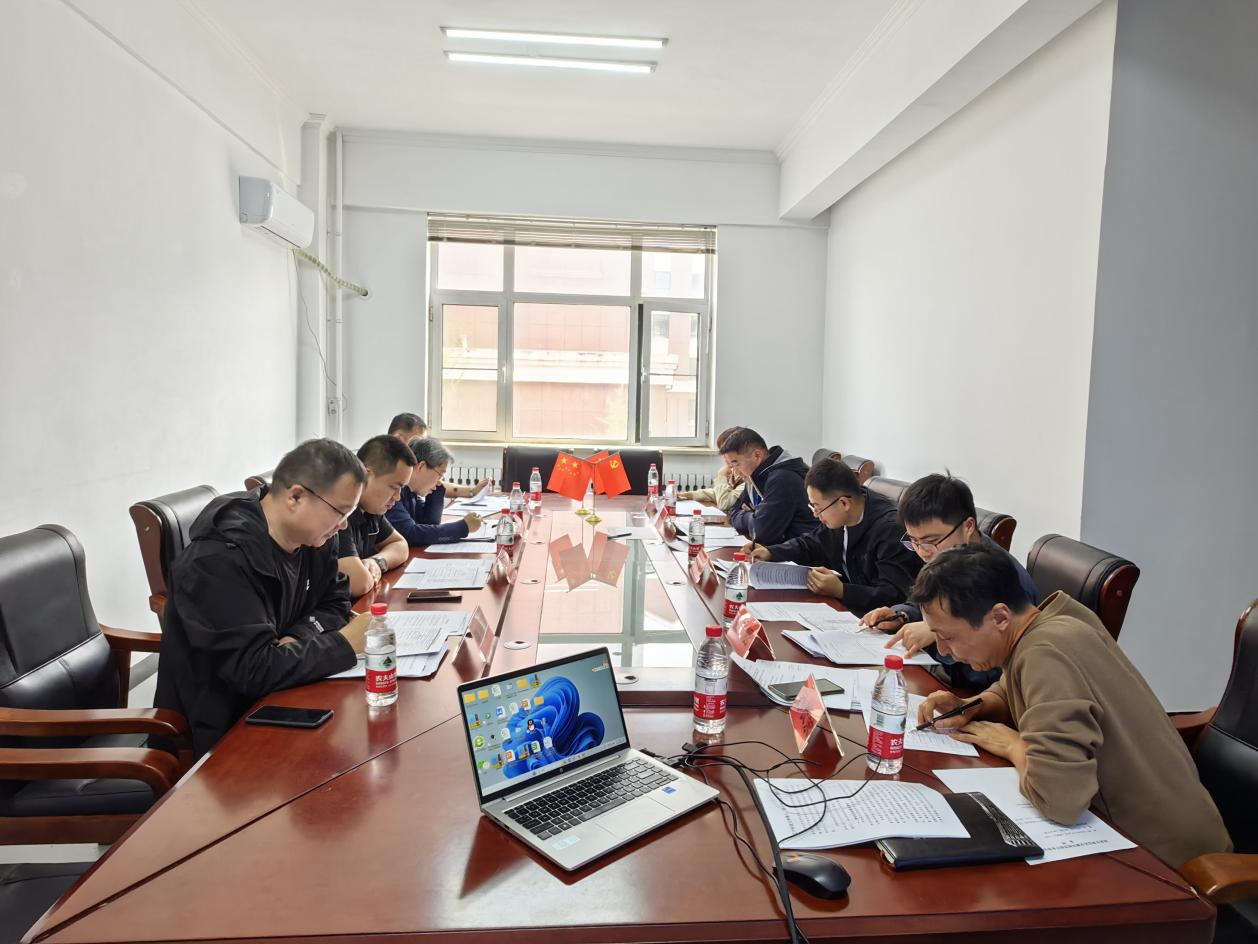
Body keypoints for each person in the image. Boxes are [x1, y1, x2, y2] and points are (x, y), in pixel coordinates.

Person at [912, 544, 1230, 868]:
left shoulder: (1044, 653)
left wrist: (1012, 745)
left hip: (1170, 863)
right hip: (1157, 836)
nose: (943, 650)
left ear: (1000, 617)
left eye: (948, 636)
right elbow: (1013, 688)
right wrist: (974, 705)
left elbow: (1058, 799)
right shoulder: (1053, 623)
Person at [154, 439, 368, 756]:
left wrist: (298, 636)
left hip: (281, 698)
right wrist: (345, 644)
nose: (344, 525)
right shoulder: (217, 561)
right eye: (341, 511)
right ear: (295, 496)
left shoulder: (315, 539)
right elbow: (253, 670)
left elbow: (335, 601)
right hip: (223, 734)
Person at [860, 473, 1038, 690]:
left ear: (968, 526)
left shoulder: (1004, 578)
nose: (923, 552)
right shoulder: (947, 556)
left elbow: (994, 673)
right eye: (914, 541)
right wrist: (902, 615)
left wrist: (938, 635)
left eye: (931, 541)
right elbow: (931, 602)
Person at [744, 457, 921, 616]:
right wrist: (771, 552)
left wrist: (841, 590)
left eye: (818, 508)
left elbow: (894, 595)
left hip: (873, 621)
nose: (816, 515)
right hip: (842, 610)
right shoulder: (841, 514)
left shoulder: (890, 530)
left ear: (844, 503)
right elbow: (811, 543)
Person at [337, 435, 414, 596]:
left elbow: (400, 545)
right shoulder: (340, 513)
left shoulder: (372, 510)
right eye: (394, 487)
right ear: (366, 476)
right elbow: (357, 583)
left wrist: (377, 562)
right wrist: (367, 572)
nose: (397, 497)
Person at [721, 427, 816, 545]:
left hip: (802, 551)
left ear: (757, 455)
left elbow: (760, 532)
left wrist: (754, 517)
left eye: (737, 463)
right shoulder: (756, 475)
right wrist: (754, 517)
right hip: (781, 547)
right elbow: (733, 511)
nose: (735, 471)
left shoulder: (782, 478)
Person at [386, 436, 484, 545]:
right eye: (440, 474)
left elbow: (429, 523)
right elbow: (410, 534)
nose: (440, 481)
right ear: (421, 466)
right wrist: (463, 527)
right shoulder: (393, 490)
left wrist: (436, 490)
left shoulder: (411, 492)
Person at [388, 411, 490, 499]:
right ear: (398, 439)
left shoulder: (411, 483)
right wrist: (471, 491)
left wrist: (471, 491)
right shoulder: (388, 468)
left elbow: (434, 483)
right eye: (416, 440)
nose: (420, 446)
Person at [679, 426, 745, 512]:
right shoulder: (732, 472)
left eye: (726, 452)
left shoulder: (746, 475)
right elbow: (717, 493)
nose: (724, 458)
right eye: (722, 453)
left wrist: (721, 475)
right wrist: (688, 495)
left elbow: (724, 504)